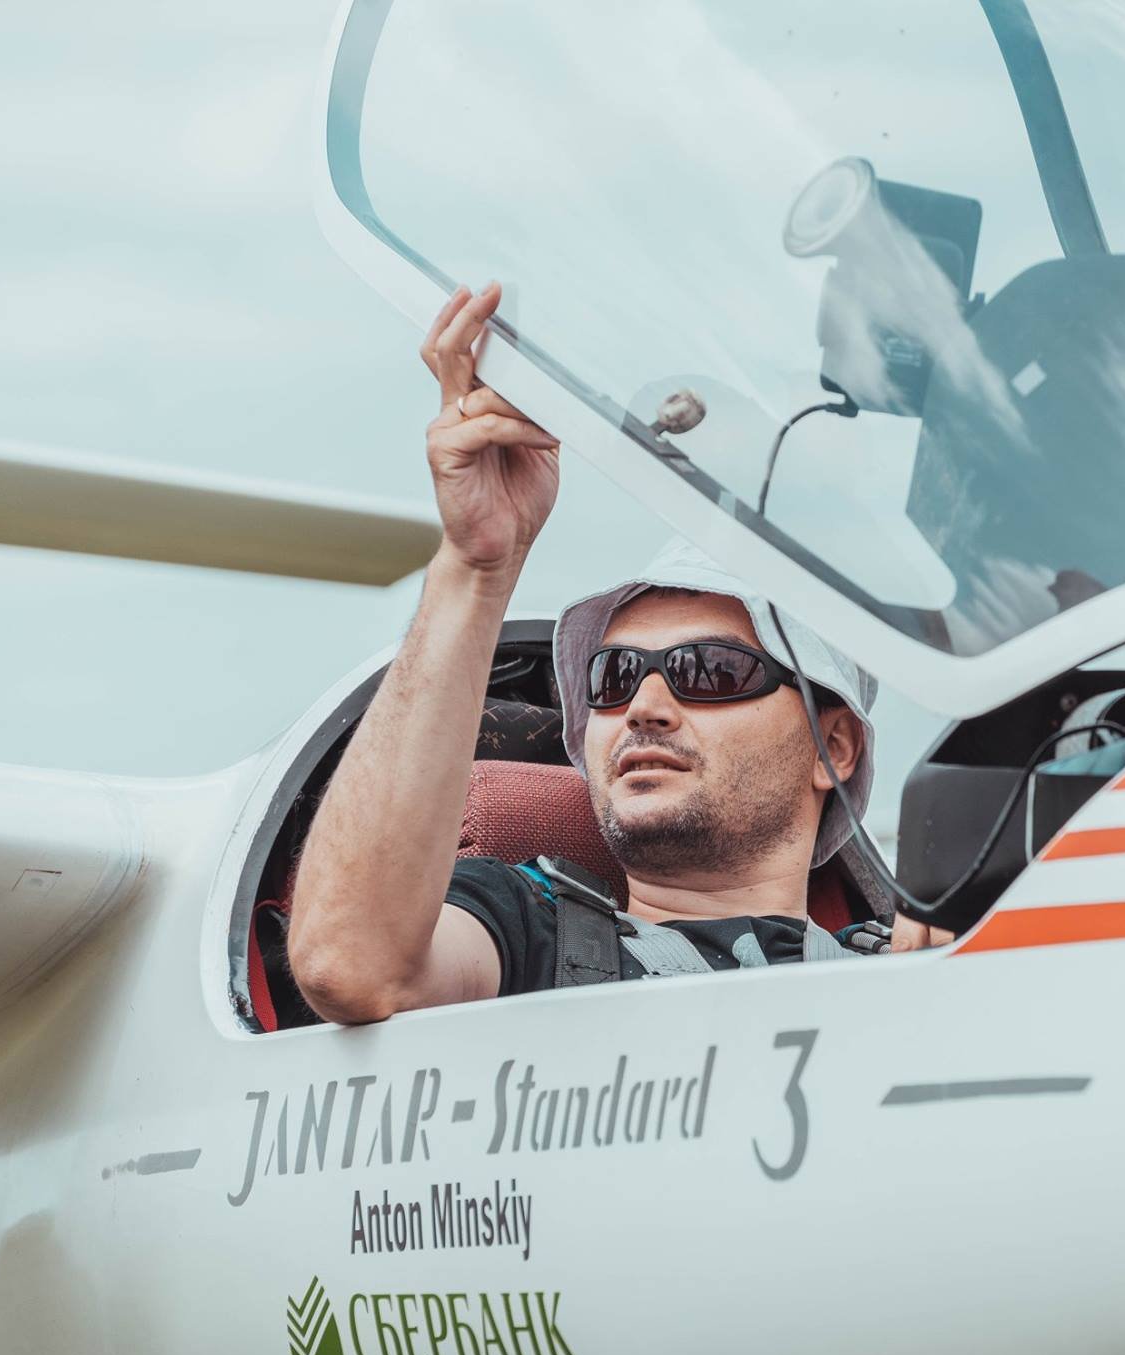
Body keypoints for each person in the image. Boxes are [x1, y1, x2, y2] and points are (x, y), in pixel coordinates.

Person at [288, 282, 942, 1026]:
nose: (644, 707)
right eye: (615, 676)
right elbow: (349, 964)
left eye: (708, 671)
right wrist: (476, 565)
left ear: (835, 746)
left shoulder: (910, 966)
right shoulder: (522, 929)